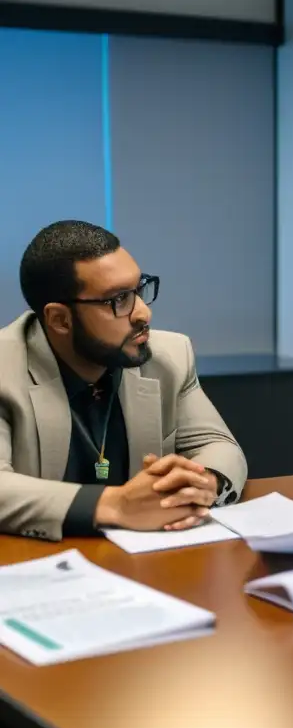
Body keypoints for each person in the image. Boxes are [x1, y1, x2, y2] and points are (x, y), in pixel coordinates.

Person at [0, 220, 247, 541]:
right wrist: (115, 505)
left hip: (143, 561)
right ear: (60, 319)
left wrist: (203, 483)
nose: (143, 313)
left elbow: (217, 445)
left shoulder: (168, 355)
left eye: (139, 289)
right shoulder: (7, 367)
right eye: (116, 300)